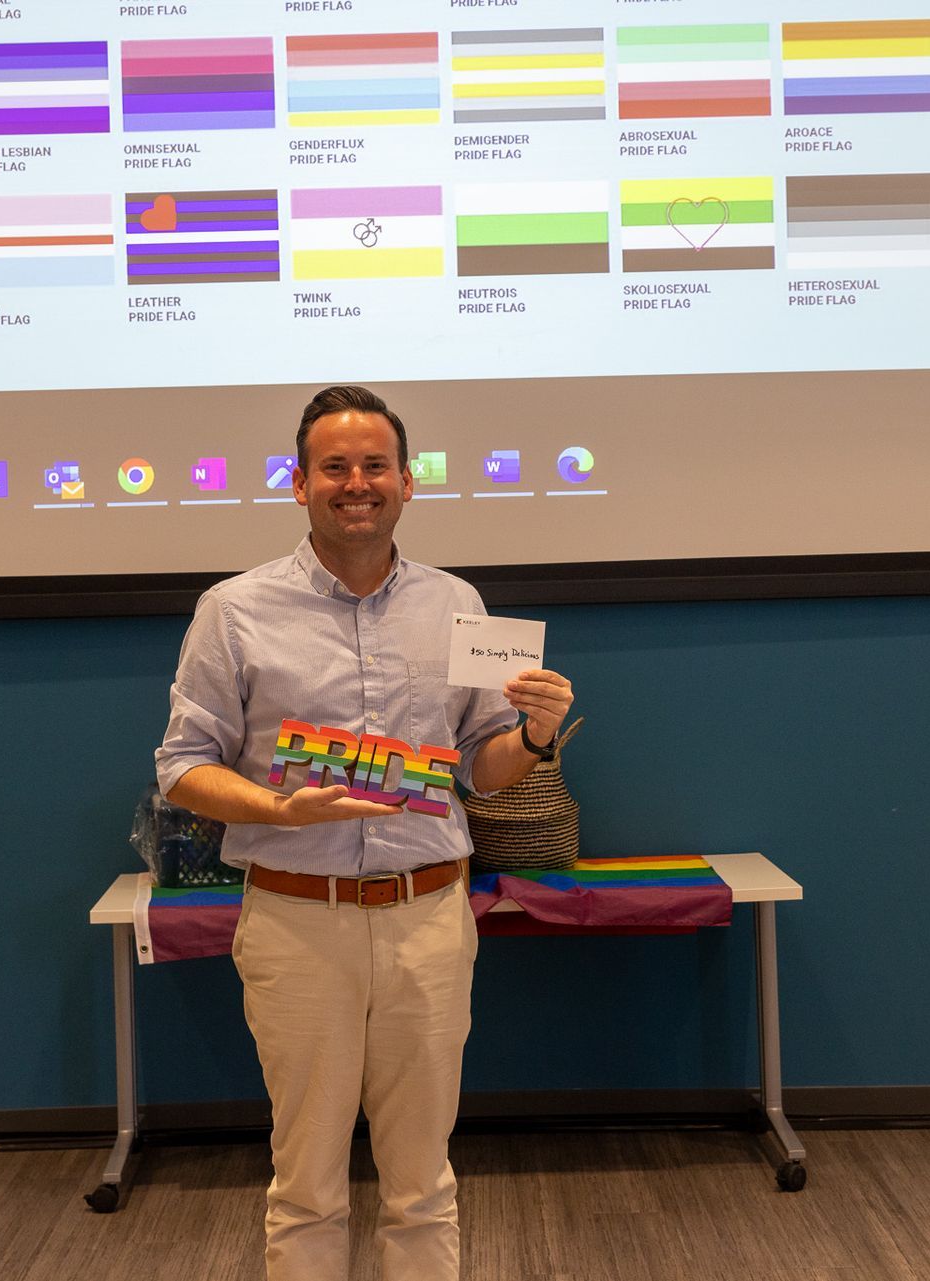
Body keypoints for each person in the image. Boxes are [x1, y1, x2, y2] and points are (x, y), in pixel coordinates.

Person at [156, 385, 575, 1281]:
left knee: (423, 1182)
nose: (357, 483)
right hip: (298, 921)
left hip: (429, 918)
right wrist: (277, 809)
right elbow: (182, 766)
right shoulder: (233, 610)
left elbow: (476, 766)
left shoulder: (455, 600)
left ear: (408, 481)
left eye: (375, 465)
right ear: (298, 482)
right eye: (334, 467)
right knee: (307, 1184)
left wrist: (534, 736)